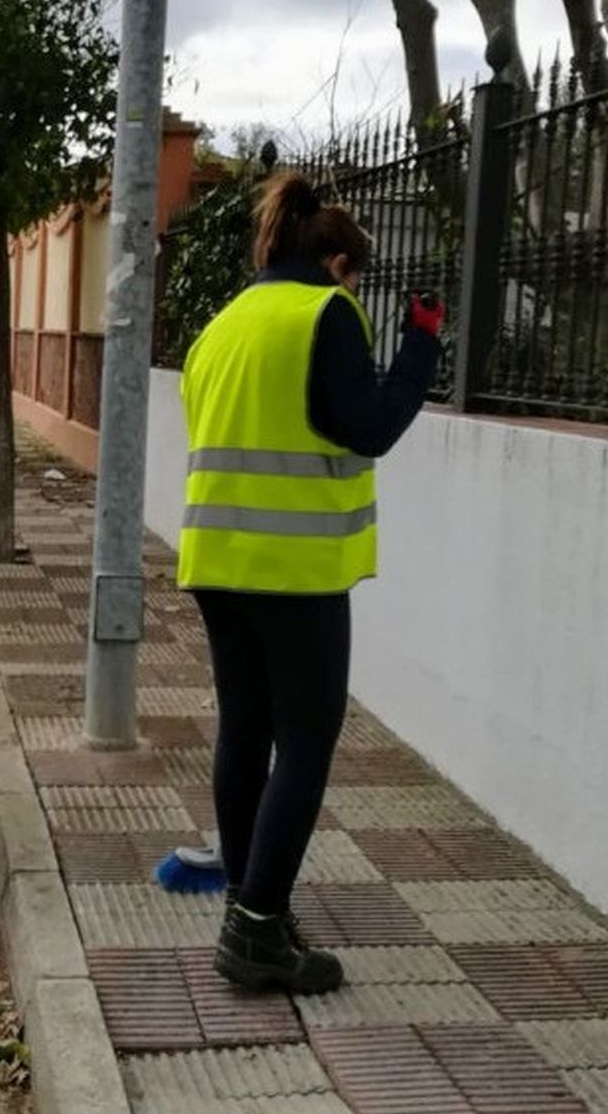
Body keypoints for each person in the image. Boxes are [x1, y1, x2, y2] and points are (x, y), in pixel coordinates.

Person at [179, 171, 445, 994]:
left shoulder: (221, 324)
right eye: (357, 278)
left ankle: (248, 907)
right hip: (294, 569)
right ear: (337, 263)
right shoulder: (323, 313)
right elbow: (364, 426)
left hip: (217, 562)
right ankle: (257, 930)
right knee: (304, 742)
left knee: (243, 732)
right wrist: (421, 346)